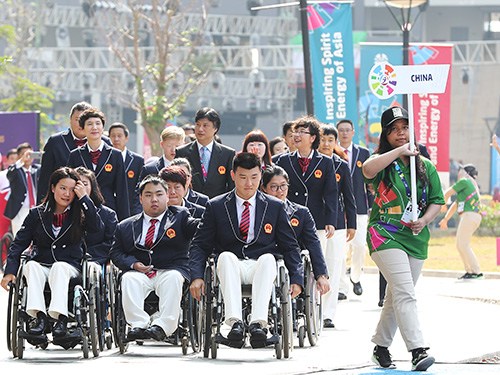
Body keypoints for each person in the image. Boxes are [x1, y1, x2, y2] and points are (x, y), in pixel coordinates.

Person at [189, 152, 303, 347]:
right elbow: (200, 244)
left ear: (261, 175)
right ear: (233, 175)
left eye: (254, 177)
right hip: (230, 266)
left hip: (261, 265)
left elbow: (290, 245)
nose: (248, 183)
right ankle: (235, 323)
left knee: (269, 259)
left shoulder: (274, 206)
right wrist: (197, 276)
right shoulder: (216, 206)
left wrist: (297, 279)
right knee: (225, 257)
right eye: (242, 177)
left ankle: (258, 324)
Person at [363, 106, 444, 371]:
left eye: (405, 128)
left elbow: (436, 201)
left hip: (416, 237)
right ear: (385, 135)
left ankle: (380, 347)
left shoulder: (426, 167)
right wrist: (400, 151)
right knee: (405, 293)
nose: (400, 133)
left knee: (396, 295)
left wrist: (424, 220)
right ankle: (418, 350)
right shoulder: (385, 162)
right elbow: (367, 169)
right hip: (384, 234)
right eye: (394, 130)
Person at [1, 167, 103, 342]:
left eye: (72, 190)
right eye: (63, 188)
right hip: (41, 264)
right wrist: (10, 271)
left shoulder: (80, 213)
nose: (67, 194)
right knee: (30, 266)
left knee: (59, 267)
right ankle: (39, 318)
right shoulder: (36, 214)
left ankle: (61, 319)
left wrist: (84, 197)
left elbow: (97, 229)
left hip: (69, 268)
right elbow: (18, 244)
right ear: (53, 188)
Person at [110, 175, 199, 342]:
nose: (154, 199)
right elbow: (116, 253)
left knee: (173, 278)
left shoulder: (180, 216)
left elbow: (197, 227)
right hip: (140, 272)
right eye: (149, 195)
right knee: (128, 279)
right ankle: (138, 325)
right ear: (141, 198)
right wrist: (133, 264)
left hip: (170, 269)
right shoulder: (126, 226)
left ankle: (163, 326)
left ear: (167, 197)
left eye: (159, 194)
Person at [273, 116, 338, 262]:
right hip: (287, 218)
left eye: (302, 132)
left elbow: (331, 193)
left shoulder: (325, 162)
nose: (296, 135)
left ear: (313, 137)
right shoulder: (282, 160)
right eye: (295, 132)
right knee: (289, 258)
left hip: (317, 219)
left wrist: (331, 220)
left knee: (317, 260)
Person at [260, 165, 329, 294]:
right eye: (274, 187)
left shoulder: (301, 213)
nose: (280, 191)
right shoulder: (257, 211)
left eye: (283, 185)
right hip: (264, 259)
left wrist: (321, 275)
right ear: (264, 188)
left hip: (293, 260)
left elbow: (313, 243)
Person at [317, 125, 357, 328]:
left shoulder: (341, 165)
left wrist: (352, 224)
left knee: (333, 265)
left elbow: (348, 196)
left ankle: (328, 314)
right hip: (315, 222)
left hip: (338, 225)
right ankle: (311, 309)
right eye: (323, 140)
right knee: (315, 266)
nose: (326, 144)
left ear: (335, 143)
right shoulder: (312, 163)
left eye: (330, 140)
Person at [37, 101, 112, 203]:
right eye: (77, 119)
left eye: (85, 120)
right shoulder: (55, 142)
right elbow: (45, 178)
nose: (81, 123)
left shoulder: (105, 143)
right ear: (70, 120)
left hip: (100, 202)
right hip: (66, 201)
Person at [67, 108, 130, 221]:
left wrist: (125, 222)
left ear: (102, 128)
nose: (94, 127)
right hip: (81, 210)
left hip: (108, 210)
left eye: (98, 123)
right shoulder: (75, 155)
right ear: (83, 128)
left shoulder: (115, 155)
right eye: (89, 124)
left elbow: (122, 191)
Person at [336, 119, 372, 298]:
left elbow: (369, 182)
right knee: (340, 249)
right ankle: (341, 287)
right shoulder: (332, 153)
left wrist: (372, 206)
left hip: (359, 207)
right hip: (338, 208)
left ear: (352, 132)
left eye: (347, 130)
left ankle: (356, 277)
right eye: (340, 130)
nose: (344, 133)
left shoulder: (363, 153)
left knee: (359, 246)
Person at [176, 107, 235, 198]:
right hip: (191, 206)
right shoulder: (181, 152)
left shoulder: (227, 154)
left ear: (215, 128)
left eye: (205, 125)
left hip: (217, 206)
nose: (200, 129)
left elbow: (231, 186)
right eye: (198, 125)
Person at [439, 164, 483, 279]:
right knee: (461, 245)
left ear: (465, 172)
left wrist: (442, 204)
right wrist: (446, 219)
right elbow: (455, 205)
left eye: (460, 170)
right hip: (472, 216)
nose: (458, 173)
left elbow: (447, 193)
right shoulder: (469, 185)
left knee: (463, 244)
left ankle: (476, 271)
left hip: (469, 215)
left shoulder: (464, 181)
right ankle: (470, 271)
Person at [75, 167, 118, 273]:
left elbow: (112, 242)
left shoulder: (108, 214)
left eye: (85, 184)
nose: (81, 188)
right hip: (70, 260)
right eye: (78, 184)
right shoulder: (66, 211)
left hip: (96, 260)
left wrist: (87, 253)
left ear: (92, 187)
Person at [4, 143, 40, 237]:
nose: (29, 157)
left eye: (30, 154)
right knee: (20, 238)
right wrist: (21, 161)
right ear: (19, 156)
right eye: (25, 154)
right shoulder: (16, 170)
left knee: (37, 237)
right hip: (20, 210)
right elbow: (10, 174)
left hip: (36, 208)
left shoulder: (37, 169)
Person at [108, 122, 144, 215]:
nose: (116, 139)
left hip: (130, 209)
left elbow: (139, 188)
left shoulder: (137, 160)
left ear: (126, 138)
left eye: (119, 136)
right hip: (109, 208)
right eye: (113, 136)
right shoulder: (104, 158)